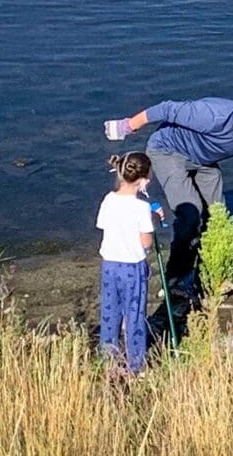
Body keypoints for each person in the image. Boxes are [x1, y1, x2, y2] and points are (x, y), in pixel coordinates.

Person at [103, 88, 233, 296]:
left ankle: (209, 271)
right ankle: (175, 279)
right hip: (168, 151)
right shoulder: (212, 116)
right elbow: (166, 109)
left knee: (218, 216)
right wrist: (127, 126)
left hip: (204, 160)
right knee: (190, 215)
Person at [95, 151, 158, 373]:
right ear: (143, 181)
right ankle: (135, 366)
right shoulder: (141, 208)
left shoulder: (108, 200)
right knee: (134, 316)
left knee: (110, 313)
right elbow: (146, 242)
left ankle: (108, 362)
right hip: (133, 268)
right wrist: (154, 220)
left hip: (109, 266)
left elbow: (103, 226)